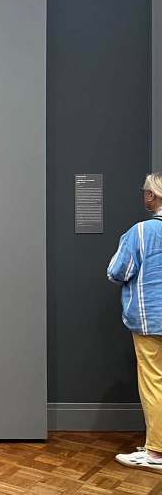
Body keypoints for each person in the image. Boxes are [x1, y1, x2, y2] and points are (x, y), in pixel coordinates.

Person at [110, 173, 162, 472]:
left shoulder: (141, 232)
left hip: (150, 319)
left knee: (154, 382)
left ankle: (156, 452)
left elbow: (117, 271)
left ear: (152, 196)